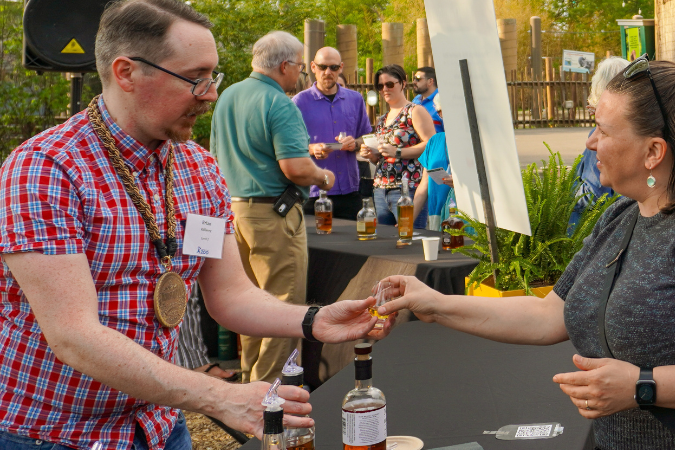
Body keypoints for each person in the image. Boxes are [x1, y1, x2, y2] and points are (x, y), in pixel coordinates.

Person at [0, 2, 390, 449]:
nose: (210, 95)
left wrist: (313, 319)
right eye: (195, 78)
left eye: (213, 77)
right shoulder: (46, 169)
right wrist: (218, 397)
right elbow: (74, 336)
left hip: (160, 426)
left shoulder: (197, 167)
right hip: (54, 434)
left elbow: (231, 295)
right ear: (126, 72)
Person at [374, 58, 675, 449]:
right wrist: (436, 303)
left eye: (603, 130)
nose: (591, 143)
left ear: (653, 152)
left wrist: (642, 385)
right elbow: (549, 314)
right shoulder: (621, 216)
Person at [211, 31, 338, 382]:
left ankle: (252, 382)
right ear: (284, 66)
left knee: (249, 308)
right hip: (273, 215)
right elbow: (296, 168)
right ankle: (269, 399)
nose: (300, 74)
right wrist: (324, 177)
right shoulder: (280, 103)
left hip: (232, 212)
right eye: (300, 66)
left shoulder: (228, 95)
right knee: (282, 310)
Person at [295, 46, 372, 220]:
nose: (327, 72)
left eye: (333, 67)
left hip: (349, 189)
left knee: (353, 244)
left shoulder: (355, 99)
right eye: (322, 67)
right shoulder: (299, 102)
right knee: (315, 246)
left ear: (341, 67)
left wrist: (356, 144)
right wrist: (312, 149)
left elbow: (366, 137)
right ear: (313, 67)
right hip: (314, 191)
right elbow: (289, 146)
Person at [360, 65, 433, 227]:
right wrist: (371, 155)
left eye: (390, 84)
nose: (385, 89)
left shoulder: (414, 111)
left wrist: (398, 152)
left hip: (408, 189)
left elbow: (431, 145)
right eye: (380, 86)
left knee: (409, 241)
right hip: (380, 189)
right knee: (387, 245)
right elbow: (382, 159)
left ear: (403, 83)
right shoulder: (382, 119)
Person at [568, 56, 627, 230]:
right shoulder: (632, 129)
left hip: (592, 230)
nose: (591, 142)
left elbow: (591, 195)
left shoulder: (604, 137)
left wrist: (565, 196)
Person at [412, 95, 453, 230]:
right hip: (437, 214)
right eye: (442, 111)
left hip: (465, 217)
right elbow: (423, 186)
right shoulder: (435, 141)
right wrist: (408, 220)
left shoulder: (477, 142)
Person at [411, 67, 444, 133]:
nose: (414, 82)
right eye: (414, 79)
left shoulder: (442, 101)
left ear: (430, 81)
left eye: (418, 79)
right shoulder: (416, 100)